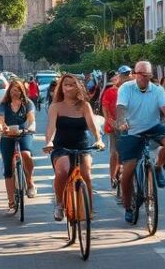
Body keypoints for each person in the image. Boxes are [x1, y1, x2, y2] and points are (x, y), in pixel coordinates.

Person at [115, 60, 165, 224]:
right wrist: (122, 122)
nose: (144, 77)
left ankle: (158, 167)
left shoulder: (157, 90)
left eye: (148, 75)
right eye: (141, 74)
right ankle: (128, 208)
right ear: (135, 74)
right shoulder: (126, 88)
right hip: (132, 130)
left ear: (151, 75)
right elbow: (121, 108)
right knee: (128, 172)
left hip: (153, 126)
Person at [43, 74, 104, 221]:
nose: (68, 88)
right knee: (63, 169)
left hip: (81, 145)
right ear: (61, 88)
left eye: (72, 84)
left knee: (86, 174)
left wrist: (98, 139)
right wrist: (49, 142)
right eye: (65, 85)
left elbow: (92, 125)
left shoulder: (84, 105)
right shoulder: (55, 106)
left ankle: (89, 207)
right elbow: (51, 128)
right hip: (61, 146)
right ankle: (59, 204)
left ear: (78, 87)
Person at [0, 78, 37, 215]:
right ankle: (11, 202)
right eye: (13, 89)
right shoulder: (4, 105)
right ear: (9, 91)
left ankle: (30, 182)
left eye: (18, 90)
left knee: (26, 154)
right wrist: (0, 127)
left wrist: (30, 128)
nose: (16, 92)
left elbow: (31, 120)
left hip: (24, 133)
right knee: (8, 167)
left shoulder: (28, 104)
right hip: (7, 135)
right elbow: (0, 120)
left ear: (22, 91)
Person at [100, 67, 130, 200]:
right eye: (124, 75)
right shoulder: (110, 92)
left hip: (130, 126)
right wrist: (113, 123)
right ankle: (113, 177)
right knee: (114, 152)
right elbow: (105, 110)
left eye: (128, 75)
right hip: (114, 127)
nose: (126, 77)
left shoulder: (132, 90)